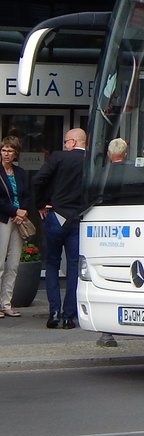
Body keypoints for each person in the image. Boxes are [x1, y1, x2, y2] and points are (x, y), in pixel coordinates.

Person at [33, 128, 87, 329]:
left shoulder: (58, 157)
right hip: (78, 218)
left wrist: (41, 204)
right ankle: (68, 317)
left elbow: (38, 180)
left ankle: (54, 312)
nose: (64, 145)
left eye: (66, 142)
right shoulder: (91, 161)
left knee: (52, 265)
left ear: (73, 142)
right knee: (74, 266)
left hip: (56, 216)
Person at [0, 136, 33, 318]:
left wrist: (23, 212)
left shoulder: (20, 172)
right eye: (4, 150)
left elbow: (27, 195)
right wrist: (15, 211)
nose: (6, 154)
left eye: (10, 150)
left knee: (13, 265)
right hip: (3, 219)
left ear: (15, 153)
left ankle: (6, 304)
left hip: (19, 220)